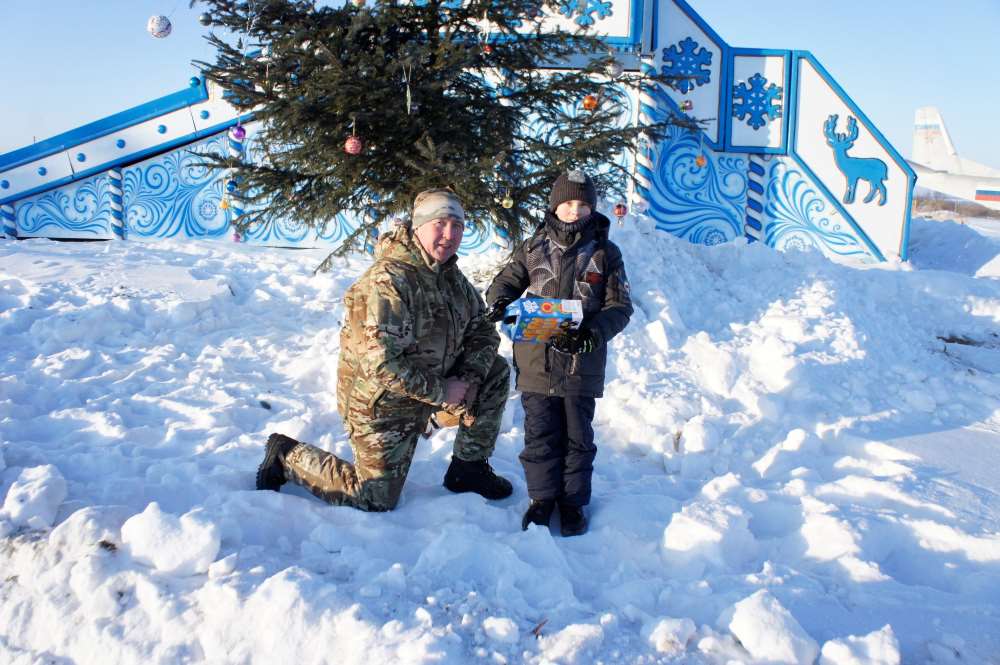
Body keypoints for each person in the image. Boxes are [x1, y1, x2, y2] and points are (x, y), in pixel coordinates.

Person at [255, 189, 513, 511]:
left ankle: (468, 468)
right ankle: (286, 455)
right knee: (374, 498)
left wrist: (469, 377)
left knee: (494, 371)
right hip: (381, 402)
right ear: (419, 226)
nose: (450, 234)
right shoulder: (389, 281)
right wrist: (442, 390)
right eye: (440, 223)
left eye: (457, 226)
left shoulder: (451, 277)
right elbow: (382, 365)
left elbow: (483, 331)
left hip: (430, 388)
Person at [485, 170, 632, 536]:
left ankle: (572, 503)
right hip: (537, 359)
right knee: (540, 433)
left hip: (581, 363)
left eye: (582, 204)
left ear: (592, 208)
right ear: (554, 206)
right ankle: (541, 499)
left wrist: (591, 336)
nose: (574, 210)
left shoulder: (605, 253)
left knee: (577, 437)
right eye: (567, 203)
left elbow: (619, 307)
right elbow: (505, 281)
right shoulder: (533, 247)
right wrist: (499, 300)